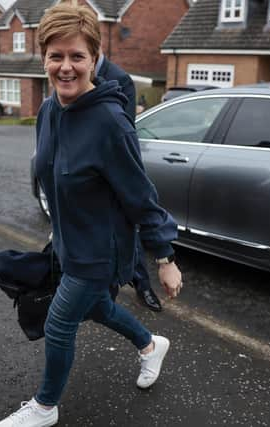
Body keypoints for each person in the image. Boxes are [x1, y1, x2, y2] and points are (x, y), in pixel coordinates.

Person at [0, 3, 183, 427]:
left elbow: (140, 194)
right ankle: (151, 345)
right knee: (97, 308)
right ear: (43, 57)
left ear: (94, 59)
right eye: (55, 56)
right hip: (67, 241)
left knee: (60, 323)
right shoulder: (48, 112)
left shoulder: (109, 122)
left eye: (77, 56)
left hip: (99, 250)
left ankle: (45, 407)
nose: (66, 67)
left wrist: (164, 258)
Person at [96, 52, 163, 312]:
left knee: (125, 229)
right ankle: (107, 296)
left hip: (113, 169)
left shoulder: (120, 78)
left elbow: (126, 130)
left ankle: (142, 284)